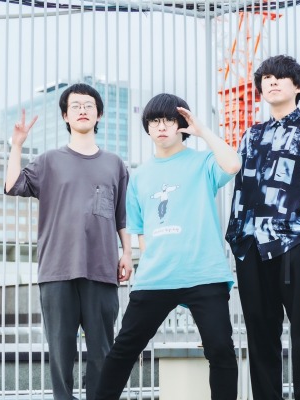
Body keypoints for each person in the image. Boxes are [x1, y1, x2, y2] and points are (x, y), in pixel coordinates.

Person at [95, 93, 241, 400]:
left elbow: (233, 164)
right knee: (124, 349)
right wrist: (149, 262)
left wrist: (202, 131)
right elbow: (141, 232)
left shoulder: (202, 162)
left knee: (220, 350)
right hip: (156, 277)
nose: (161, 127)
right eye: (154, 121)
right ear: (147, 127)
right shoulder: (139, 177)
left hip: (204, 274)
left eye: (169, 120)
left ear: (181, 125)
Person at [5, 83, 133, 400]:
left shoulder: (115, 164)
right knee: (60, 353)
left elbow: (122, 216)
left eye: (88, 105)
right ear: (65, 115)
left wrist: (127, 253)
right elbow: (13, 185)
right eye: (75, 106)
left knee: (102, 351)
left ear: (99, 114)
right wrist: (17, 145)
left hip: (101, 268)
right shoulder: (48, 161)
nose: (82, 110)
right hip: (56, 269)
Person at [226, 55, 300, 400]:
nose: (272, 82)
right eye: (266, 78)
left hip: (293, 245)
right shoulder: (252, 135)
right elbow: (240, 188)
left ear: (297, 86)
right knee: (260, 336)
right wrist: (237, 236)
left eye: (281, 77)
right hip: (251, 245)